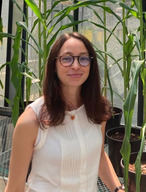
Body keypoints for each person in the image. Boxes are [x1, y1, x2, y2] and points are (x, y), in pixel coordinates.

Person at [5, 32, 124, 192]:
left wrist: (118, 189)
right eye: (67, 59)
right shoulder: (32, 120)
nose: (76, 65)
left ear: (91, 64)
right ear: (54, 65)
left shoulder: (98, 108)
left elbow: (99, 155)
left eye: (83, 58)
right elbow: (14, 188)